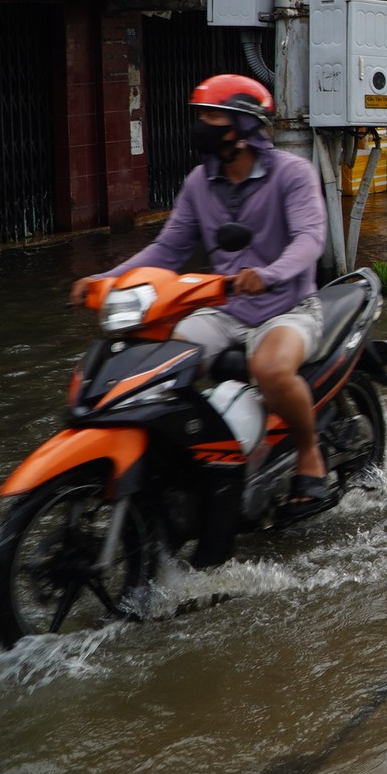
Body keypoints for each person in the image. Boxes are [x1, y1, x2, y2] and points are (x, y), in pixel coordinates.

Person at [71, 75, 333, 521]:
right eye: (201, 116)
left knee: (269, 368)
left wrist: (268, 274)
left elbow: (310, 239)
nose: (202, 126)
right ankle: (193, 459)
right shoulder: (199, 182)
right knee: (155, 362)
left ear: (246, 125)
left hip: (287, 307)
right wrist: (107, 279)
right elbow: (168, 249)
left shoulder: (293, 174)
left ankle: (310, 455)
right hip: (224, 309)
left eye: (212, 116)